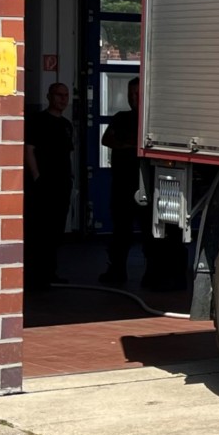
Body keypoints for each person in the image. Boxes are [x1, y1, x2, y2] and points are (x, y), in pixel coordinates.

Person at [24, 82, 75, 292]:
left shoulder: (66, 124)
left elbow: (68, 153)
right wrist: (36, 176)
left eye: (66, 95)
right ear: (49, 96)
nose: (63, 99)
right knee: (40, 229)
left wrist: (70, 178)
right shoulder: (38, 121)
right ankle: (35, 275)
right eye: (58, 95)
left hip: (62, 183)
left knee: (56, 229)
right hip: (44, 183)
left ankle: (50, 271)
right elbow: (29, 149)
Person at [100, 78, 143, 286]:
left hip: (144, 184)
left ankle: (153, 274)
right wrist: (127, 145)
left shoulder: (148, 119)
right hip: (121, 183)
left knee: (149, 232)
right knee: (121, 232)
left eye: (137, 94)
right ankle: (117, 272)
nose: (133, 99)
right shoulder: (121, 117)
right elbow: (106, 139)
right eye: (130, 94)